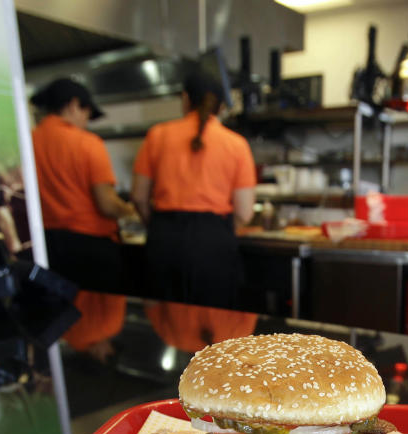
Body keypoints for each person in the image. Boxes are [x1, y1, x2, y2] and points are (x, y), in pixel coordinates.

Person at [31, 78, 137, 361]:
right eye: (87, 113)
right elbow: (106, 204)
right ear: (74, 105)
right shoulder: (87, 143)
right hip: (91, 251)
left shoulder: (28, 140)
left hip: (47, 248)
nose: (87, 121)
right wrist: (130, 210)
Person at [131, 72, 256, 309]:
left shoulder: (157, 135)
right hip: (213, 243)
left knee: (164, 317)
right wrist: (216, 232)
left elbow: (138, 196)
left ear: (186, 99)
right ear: (220, 107)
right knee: (215, 324)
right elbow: (244, 212)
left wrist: (157, 226)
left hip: (165, 238)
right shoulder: (236, 144)